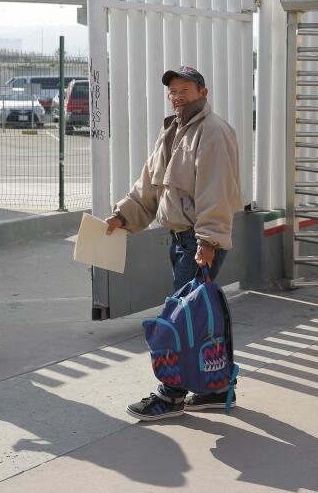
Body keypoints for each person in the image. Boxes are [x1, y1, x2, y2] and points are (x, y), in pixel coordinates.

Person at [105, 66, 243, 421]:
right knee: (194, 318)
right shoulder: (172, 131)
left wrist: (208, 240)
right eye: (173, 91)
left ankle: (171, 394)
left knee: (181, 321)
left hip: (198, 242)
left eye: (185, 90)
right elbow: (150, 182)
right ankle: (215, 388)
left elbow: (218, 190)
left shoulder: (213, 132)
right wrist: (124, 215)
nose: (177, 96)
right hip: (182, 240)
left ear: (203, 92)